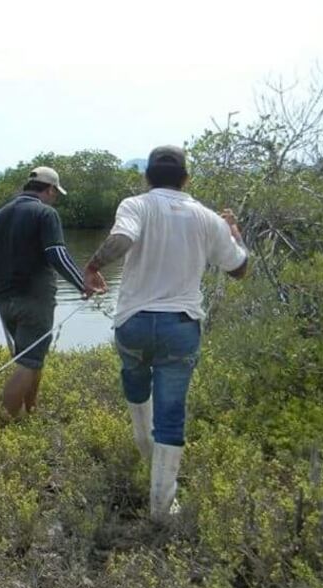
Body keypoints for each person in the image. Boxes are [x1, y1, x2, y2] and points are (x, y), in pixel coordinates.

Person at [83, 146, 249, 522]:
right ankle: (161, 506)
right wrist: (235, 235)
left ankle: (146, 455)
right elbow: (239, 269)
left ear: (147, 176)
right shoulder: (208, 218)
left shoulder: (135, 205)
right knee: (171, 413)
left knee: (136, 387)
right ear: (186, 179)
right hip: (181, 325)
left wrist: (93, 267)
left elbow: (122, 240)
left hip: (134, 322)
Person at [0, 166, 98, 417]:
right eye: (56, 193)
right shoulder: (46, 214)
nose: (55, 198)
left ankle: (31, 411)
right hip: (35, 303)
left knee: (34, 359)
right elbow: (56, 254)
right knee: (27, 364)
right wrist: (82, 284)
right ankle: (7, 426)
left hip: (6, 302)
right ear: (50, 189)